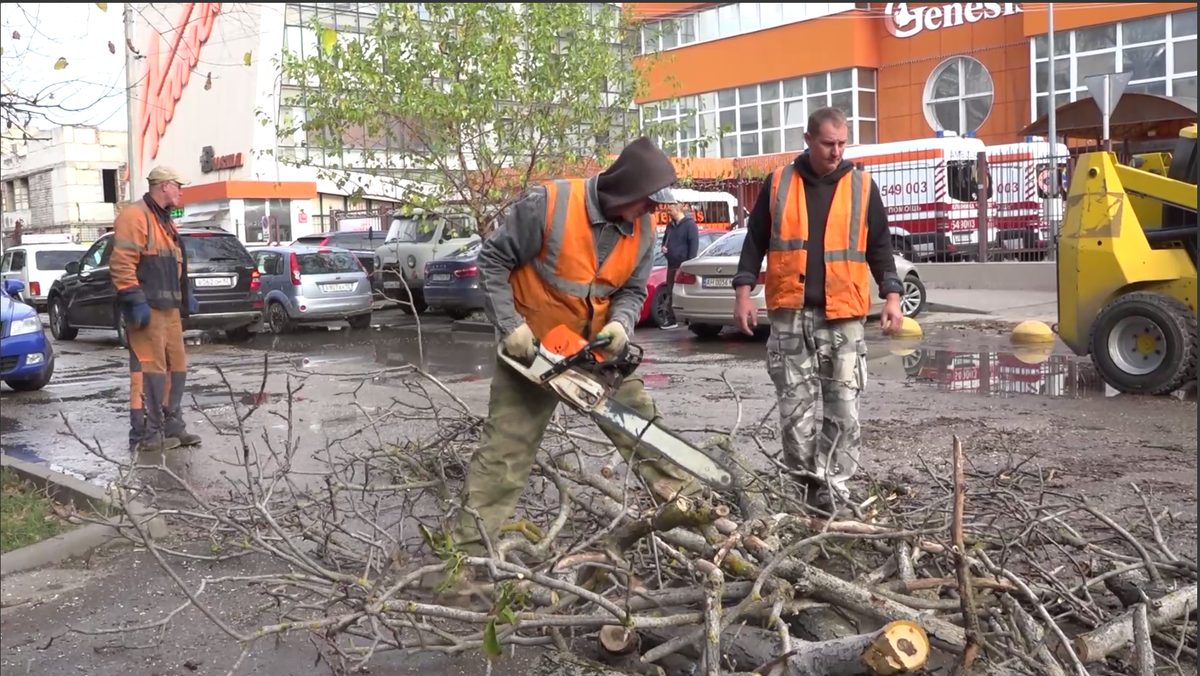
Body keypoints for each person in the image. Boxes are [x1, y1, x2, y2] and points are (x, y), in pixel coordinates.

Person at [447, 136, 700, 567]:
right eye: (645, 202)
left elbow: (633, 289)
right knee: (506, 453)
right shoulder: (548, 204)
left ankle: (697, 514)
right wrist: (510, 326)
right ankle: (463, 558)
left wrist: (621, 323)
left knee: (644, 431)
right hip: (533, 352)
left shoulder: (642, 229)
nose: (649, 211)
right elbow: (492, 261)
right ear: (625, 189)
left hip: (596, 352)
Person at [732, 107, 904, 514]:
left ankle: (835, 486)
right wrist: (743, 292)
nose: (836, 151)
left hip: (843, 316)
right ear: (808, 139)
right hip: (790, 315)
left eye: (842, 143)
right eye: (828, 143)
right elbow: (754, 241)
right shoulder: (779, 183)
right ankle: (805, 487)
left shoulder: (862, 186)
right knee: (795, 408)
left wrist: (892, 295)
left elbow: (880, 246)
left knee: (843, 405)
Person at [111, 166, 201, 453]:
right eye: (178, 186)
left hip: (169, 309)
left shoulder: (164, 221)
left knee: (177, 368)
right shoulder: (135, 216)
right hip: (148, 308)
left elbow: (174, 264)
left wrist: (185, 296)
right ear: (164, 186)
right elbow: (122, 262)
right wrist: (134, 298)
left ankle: (172, 425)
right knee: (150, 371)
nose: (181, 192)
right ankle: (148, 435)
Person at [659, 201, 699, 329]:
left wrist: (689, 264)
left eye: (670, 210)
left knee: (686, 292)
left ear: (677, 210)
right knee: (671, 292)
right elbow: (665, 240)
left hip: (683, 265)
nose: (668, 212)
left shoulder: (690, 225)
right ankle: (672, 319)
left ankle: (690, 318)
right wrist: (664, 248)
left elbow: (693, 244)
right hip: (671, 264)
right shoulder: (670, 226)